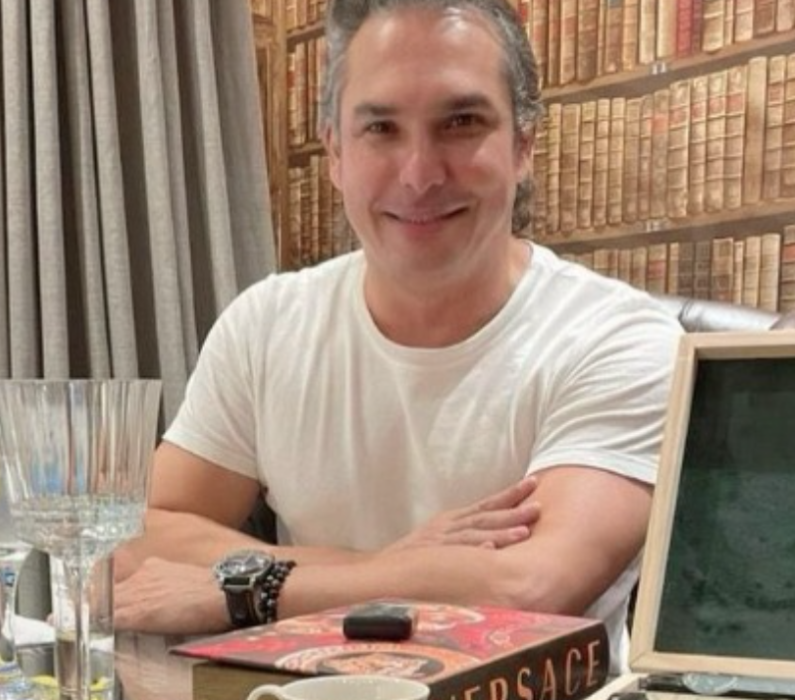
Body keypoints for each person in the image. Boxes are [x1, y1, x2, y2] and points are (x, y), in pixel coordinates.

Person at [111, 0, 682, 672]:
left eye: (461, 123)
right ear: (335, 153)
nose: (419, 174)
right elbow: (133, 539)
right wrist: (392, 566)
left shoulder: (619, 339)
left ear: (524, 145)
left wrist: (254, 591)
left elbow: (530, 588)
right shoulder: (265, 325)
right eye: (381, 128)